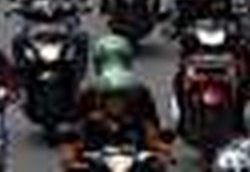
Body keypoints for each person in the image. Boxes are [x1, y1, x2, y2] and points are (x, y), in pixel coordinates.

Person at [61, 35, 169, 169]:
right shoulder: (89, 97)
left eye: (120, 97)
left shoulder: (140, 95)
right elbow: (73, 133)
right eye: (110, 97)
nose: (115, 103)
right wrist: (71, 157)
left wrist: (161, 152)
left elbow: (153, 131)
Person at [170, 0, 242, 132]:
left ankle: (238, 119)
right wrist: (172, 26)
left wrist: (239, 26)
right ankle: (184, 118)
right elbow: (174, 18)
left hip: (222, 52)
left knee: (241, 78)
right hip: (195, 53)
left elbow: (235, 16)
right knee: (179, 80)